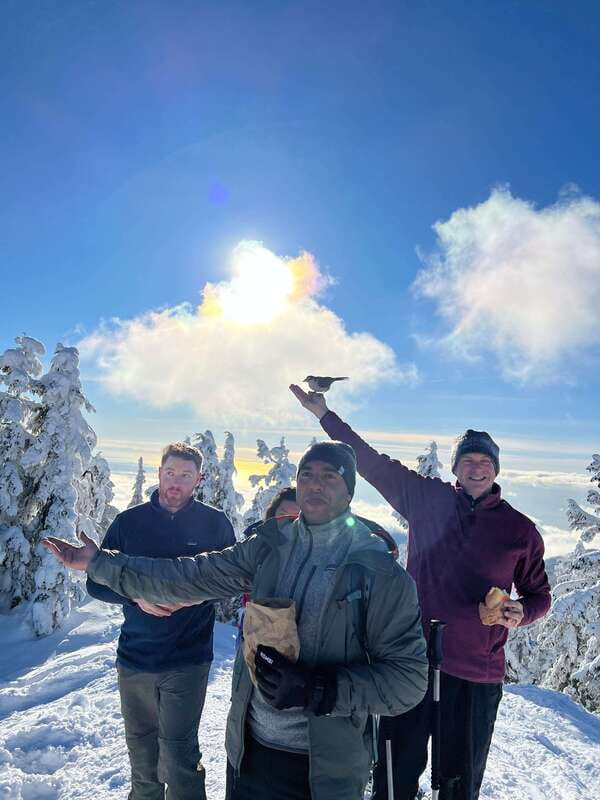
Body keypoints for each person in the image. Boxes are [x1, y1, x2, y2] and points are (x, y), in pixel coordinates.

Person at [43, 441, 429, 800]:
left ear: (349, 489)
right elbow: (191, 575)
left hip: (326, 771)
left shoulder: (378, 573)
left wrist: (320, 690)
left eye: (330, 476)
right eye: (307, 475)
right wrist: (99, 564)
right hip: (250, 754)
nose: (315, 484)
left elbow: (408, 681)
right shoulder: (269, 545)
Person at [289, 384, 551, 800]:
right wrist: (325, 414)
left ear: (496, 469)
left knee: (459, 783)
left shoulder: (520, 530)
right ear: (456, 468)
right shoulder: (427, 498)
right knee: (395, 775)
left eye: (485, 461)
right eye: (468, 460)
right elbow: (371, 463)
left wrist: (521, 611)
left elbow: (539, 595)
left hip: (474, 675)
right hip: (406, 664)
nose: (477, 468)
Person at [86, 442, 236, 800]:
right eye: (170, 473)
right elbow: (96, 582)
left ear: (198, 479)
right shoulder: (129, 523)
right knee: (142, 758)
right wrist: (136, 597)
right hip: (136, 658)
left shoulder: (214, 524)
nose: (175, 482)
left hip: (188, 659)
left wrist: (192, 596)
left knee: (180, 756)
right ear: (158, 473)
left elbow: (232, 580)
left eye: (185, 476)